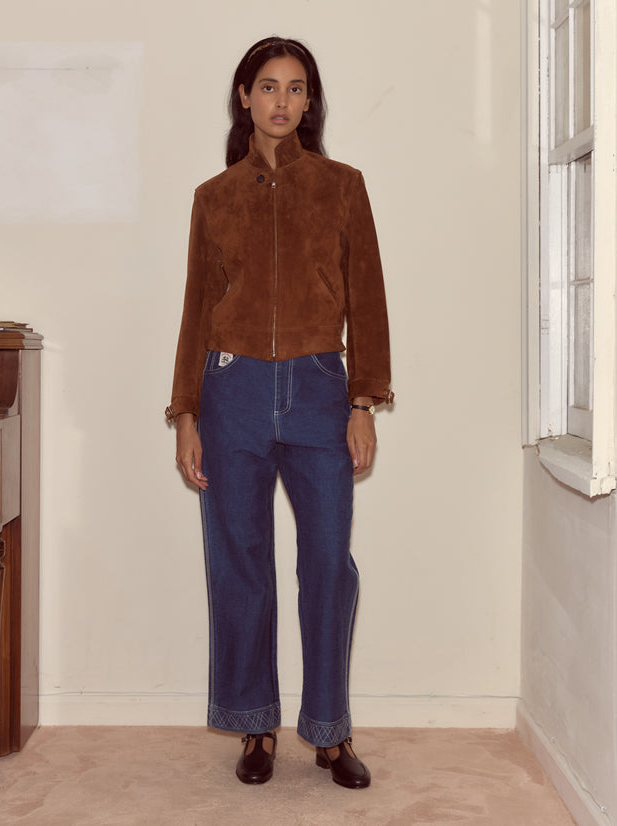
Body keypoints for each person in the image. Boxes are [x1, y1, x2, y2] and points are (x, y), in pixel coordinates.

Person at [166, 36, 392, 789]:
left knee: (328, 563)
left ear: (309, 102)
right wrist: (187, 414)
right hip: (229, 391)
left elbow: (369, 304)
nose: (282, 101)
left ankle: (330, 732)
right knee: (239, 567)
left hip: (320, 390)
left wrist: (364, 402)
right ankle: (253, 725)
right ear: (244, 97)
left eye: (296, 89)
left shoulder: (342, 186)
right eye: (268, 87)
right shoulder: (214, 197)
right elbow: (196, 313)